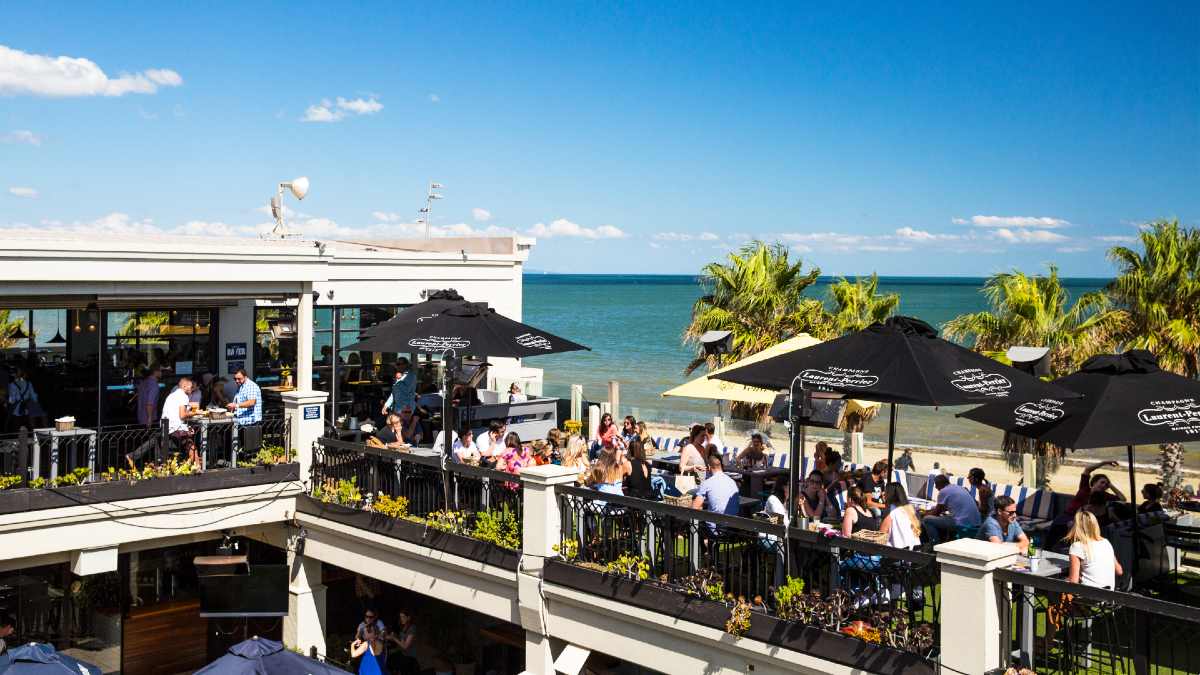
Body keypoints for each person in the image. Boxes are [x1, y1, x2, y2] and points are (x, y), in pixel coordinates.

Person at [1048, 460, 1126, 546]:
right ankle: (1049, 548)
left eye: (1106, 484)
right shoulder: (1084, 488)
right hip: (1067, 516)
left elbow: (1122, 499)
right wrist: (1105, 462)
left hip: (1082, 522)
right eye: (1102, 482)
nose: (1104, 485)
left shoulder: (1104, 495)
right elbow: (1087, 470)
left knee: (1074, 532)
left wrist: (1110, 485)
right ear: (1094, 482)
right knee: (1056, 528)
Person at [1065, 510, 1122, 589]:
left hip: (1088, 596)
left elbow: (1073, 582)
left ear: (1076, 526)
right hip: (1108, 596)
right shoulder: (1106, 542)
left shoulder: (1077, 546)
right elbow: (1119, 571)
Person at [922, 474, 982, 545]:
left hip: (962, 524)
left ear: (940, 484)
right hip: (976, 523)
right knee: (945, 517)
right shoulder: (959, 487)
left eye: (936, 485)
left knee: (927, 520)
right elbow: (943, 508)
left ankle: (934, 545)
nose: (935, 487)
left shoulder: (943, 491)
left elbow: (936, 512)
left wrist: (923, 514)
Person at [692, 454, 740, 534]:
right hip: (733, 528)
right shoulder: (732, 482)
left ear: (709, 467)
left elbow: (694, 508)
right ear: (721, 466)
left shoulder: (707, 483)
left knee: (694, 522)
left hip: (717, 529)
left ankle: (703, 545)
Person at [163, 377, 199, 465]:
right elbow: (182, 415)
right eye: (191, 387)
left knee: (192, 447)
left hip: (167, 427)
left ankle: (197, 467)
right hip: (176, 428)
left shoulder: (172, 395)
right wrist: (196, 412)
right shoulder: (183, 396)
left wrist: (188, 427)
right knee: (192, 448)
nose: (192, 389)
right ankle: (192, 468)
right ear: (184, 386)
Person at [880, 483, 922, 550]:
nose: (883, 494)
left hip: (898, 554)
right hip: (915, 551)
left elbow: (881, 535)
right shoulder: (910, 509)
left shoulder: (891, 511)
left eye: (885, 492)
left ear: (889, 494)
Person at [383, 609, 418, 675]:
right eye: (400, 617)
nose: (401, 619)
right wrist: (387, 636)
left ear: (408, 618)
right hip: (402, 653)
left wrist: (394, 638)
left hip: (409, 656)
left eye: (403, 617)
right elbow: (401, 640)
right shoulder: (403, 626)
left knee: (391, 662)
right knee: (388, 659)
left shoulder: (412, 628)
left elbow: (405, 646)